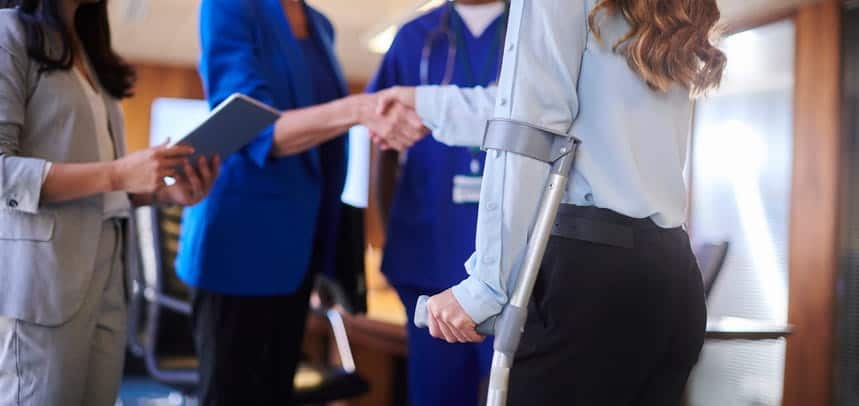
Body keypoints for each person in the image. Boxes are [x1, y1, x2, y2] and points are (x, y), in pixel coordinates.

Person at [376, 0, 727, 404]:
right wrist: (425, 104)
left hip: (588, 280)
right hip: (669, 275)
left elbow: (527, 132)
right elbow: (572, 110)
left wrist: (485, 287)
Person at [179, 0, 427, 404]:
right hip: (239, 246)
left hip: (299, 253)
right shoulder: (228, 7)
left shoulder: (320, 25)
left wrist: (328, 259)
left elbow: (325, 155)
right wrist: (359, 107)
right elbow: (251, 129)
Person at [0, 0, 220, 404]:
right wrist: (118, 173)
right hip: (43, 286)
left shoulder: (86, 49)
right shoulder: (8, 33)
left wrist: (157, 192)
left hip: (110, 281)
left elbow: (97, 188)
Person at [367, 1, 507, 405]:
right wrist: (385, 231)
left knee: (511, 391)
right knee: (435, 394)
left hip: (514, 267)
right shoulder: (414, 37)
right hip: (427, 251)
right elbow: (383, 146)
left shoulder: (536, 31)